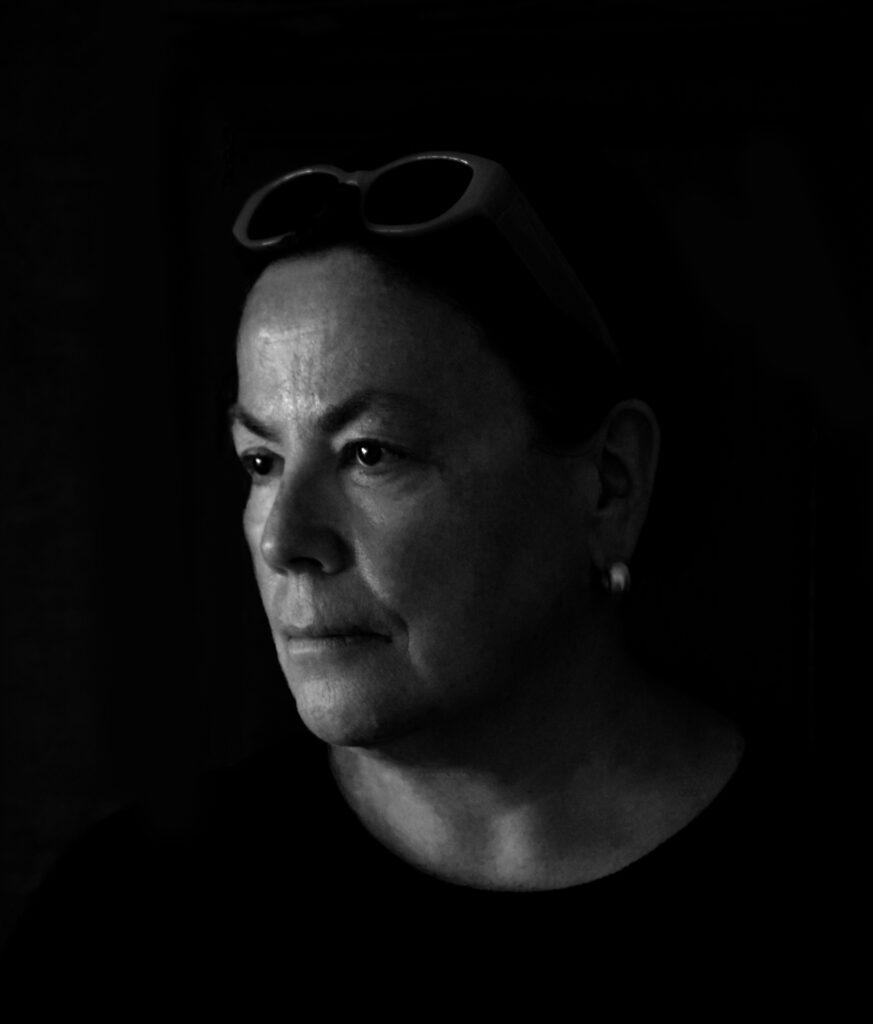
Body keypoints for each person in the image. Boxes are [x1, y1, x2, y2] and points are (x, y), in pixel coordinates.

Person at [2, 151, 818, 1004]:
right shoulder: (125, 918)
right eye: (261, 460)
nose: (284, 540)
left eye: (370, 453)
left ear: (608, 483)